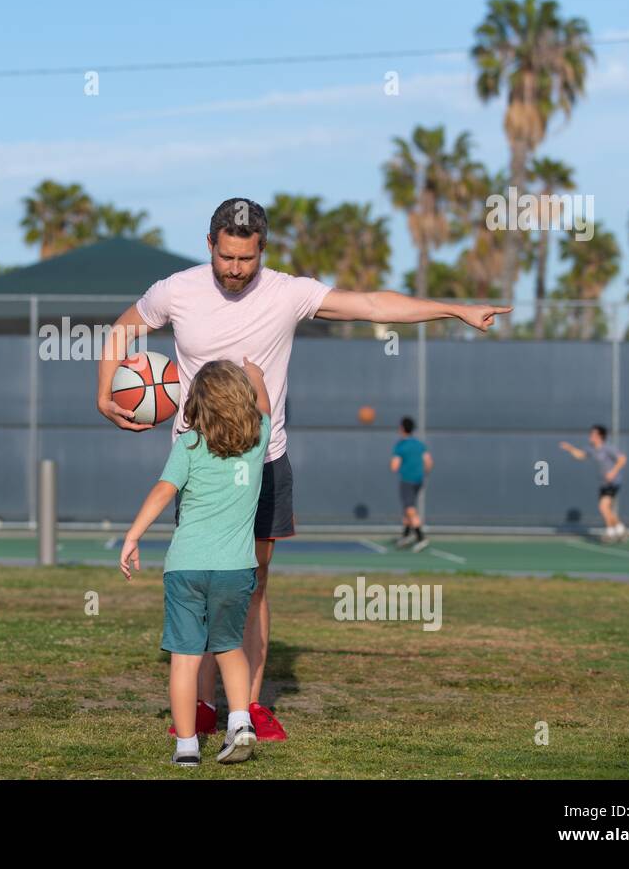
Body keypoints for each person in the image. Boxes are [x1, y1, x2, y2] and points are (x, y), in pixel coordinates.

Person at [97, 197, 510, 741]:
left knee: (253, 585)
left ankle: (249, 707)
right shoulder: (177, 290)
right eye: (226, 258)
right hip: (200, 468)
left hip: (264, 463)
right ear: (210, 247)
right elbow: (122, 330)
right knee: (199, 586)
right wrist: (104, 395)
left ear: (262, 250)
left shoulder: (289, 292)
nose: (235, 269)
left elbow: (372, 305)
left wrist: (453, 309)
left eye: (246, 259)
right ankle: (201, 706)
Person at [120, 358, 271, 766]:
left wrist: (133, 536)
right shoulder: (260, 441)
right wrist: (254, 373)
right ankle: (240, 724)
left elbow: (162, 491)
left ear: (195, 405)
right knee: (229, 648)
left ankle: (187, 748)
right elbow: (265, 408)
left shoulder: (187, 446)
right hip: (235, 569)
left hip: (185, 567)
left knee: (185, 659)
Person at [559, 425, 627, 543]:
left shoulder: (608, 448)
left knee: (603, 506)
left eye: (593, 434)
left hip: (613, 482)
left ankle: (610, 532)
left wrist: (613, 472)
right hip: (603, 483)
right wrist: (570, 448)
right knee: (607, 509)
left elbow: (622, 459)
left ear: (600, 436)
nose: (590, 436)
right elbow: (580, 455)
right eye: (590, 434)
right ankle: (621, 529)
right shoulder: (591, 449)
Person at [391, 416, 433, 551]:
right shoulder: (419, 444)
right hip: (418, 480)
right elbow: (428, 462)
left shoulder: (401, 445)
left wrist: (397, 463)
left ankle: (421, 536)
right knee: (408, 507)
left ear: (402, 428)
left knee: (410, 508)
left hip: (407, 480)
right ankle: (406, 535)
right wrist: (424, 473)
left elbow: (394, 466)